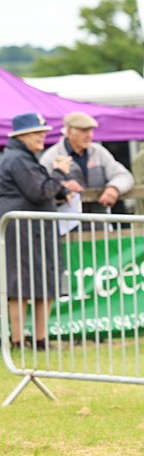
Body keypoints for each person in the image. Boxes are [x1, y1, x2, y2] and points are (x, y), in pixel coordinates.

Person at [0, 112, 84, 350]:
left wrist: (60, 189)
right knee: (21, 286)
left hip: (32, 228)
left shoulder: (21, 157)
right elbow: (37, 191)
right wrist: (59, 173)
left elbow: (38, 188)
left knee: (41, 282)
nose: (42, 137)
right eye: (38, 133)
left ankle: (38, 339)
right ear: (23, 135)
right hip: (24, 229)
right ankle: (19, 340)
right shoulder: (18, 159)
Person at [40, 111, 134, 215]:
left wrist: (114, 188)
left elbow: (124, 175)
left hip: (98, 223)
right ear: (69, 132)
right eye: (84, 131)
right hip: (67, 225)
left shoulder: (99, 152)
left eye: (91, 130)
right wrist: (63, 187)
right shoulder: (51, 156)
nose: (89, 135)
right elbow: (42, 186)